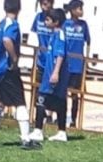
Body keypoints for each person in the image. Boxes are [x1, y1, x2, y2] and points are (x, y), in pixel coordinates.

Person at [0, 0, 39, 149]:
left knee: (0, 102)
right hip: (7, 69)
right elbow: (7, 40)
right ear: (19, 8)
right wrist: (14, 59)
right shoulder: (12, 25)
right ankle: (26, 138)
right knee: (20, 101)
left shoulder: (1, 24)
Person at [30, 7, 68, 142]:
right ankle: (62, 132)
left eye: (48, 19)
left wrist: (56, 72)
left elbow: (60, 55)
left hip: (53, 74)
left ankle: (38, 130)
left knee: (41, 99)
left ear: (56, 22)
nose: (45, 22)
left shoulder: (60, 35)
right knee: (59, 101)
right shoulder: (54, 35)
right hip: (50, 72)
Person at [63, 0, 89, 128]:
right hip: (66, 63)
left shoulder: (84, 25)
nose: (81, 11)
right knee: (62, 91)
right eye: (79, 8)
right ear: (72, 10)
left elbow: (88, 41)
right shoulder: (65, 24)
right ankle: (59, 116)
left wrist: (86, 60)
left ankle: (73, 120)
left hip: (78, 65)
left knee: (75, 94)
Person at [31, 0, 54, 120]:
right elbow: (34, 34)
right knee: (37, 87)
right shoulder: (38, 17)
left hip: (52, 60)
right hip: (40, 58)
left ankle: (49, 114)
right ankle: (39, 114)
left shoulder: (55, 17)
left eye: (47, 3)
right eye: (42, 3)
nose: (45, 5)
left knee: (51, 88)